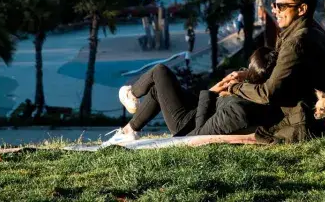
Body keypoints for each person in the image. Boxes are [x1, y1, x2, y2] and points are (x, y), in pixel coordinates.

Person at [212, 0, 325, 143]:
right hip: (322, 122)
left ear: (302, 9)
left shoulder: (296, 43)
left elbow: (268, 93)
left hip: (304, 126)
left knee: (226, 118)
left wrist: (234, 87)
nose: (275, 10)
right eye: (274, 5)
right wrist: (246, 74)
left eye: (282, 6)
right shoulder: (319, 36)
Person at [101, 48, 281, 147]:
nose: (243, 70)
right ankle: (128, 131)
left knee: (160, 71)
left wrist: (211, 92)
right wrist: (230, 84)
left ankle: (130, 93)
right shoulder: (252, 93)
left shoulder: (239, 109)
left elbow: (198, 133)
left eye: (247, 68)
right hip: (198, 111)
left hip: (186, 127)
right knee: (158, 90)